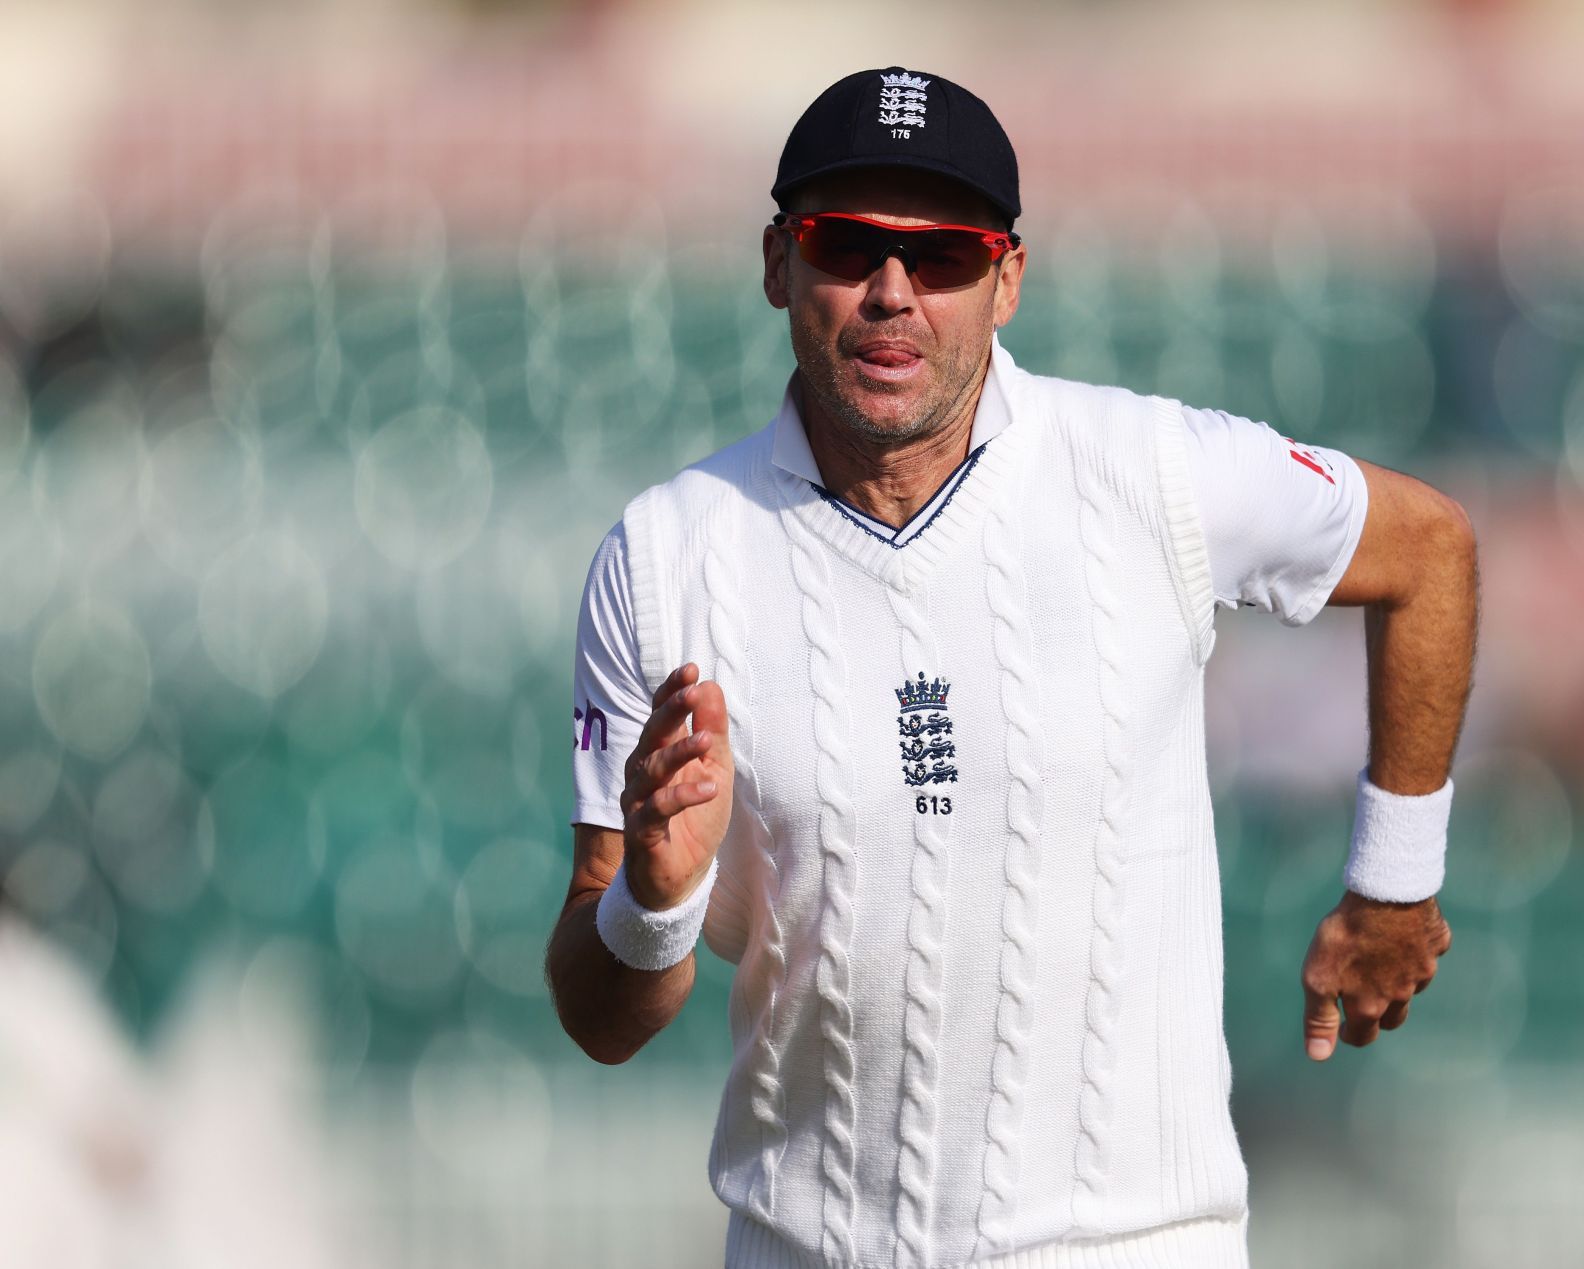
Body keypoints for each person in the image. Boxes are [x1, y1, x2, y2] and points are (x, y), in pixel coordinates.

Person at [547, 66, 1476, 1269]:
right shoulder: (668, 551)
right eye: (849, 245)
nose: (893, 292)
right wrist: (654, 904)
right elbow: (601, 1015)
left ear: (1007, 281)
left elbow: (1430, 550)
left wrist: (1395, 881)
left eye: (942, 256)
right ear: (779, 262)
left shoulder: (1147, 471)